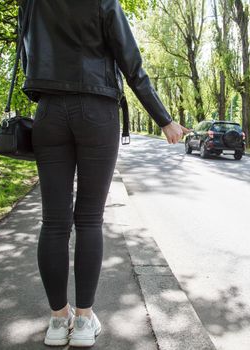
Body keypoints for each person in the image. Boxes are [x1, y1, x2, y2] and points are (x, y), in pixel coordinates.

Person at [18, 0, 190, 346]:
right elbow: (132, 64)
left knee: (53, 222)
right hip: (97, 111)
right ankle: (83, 322)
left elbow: (27, 55)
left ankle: (57, 321)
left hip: (49, 111)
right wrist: (164, 119)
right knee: (90, 219)